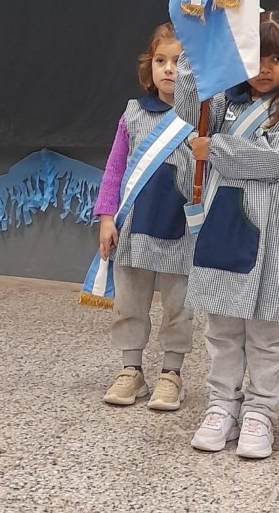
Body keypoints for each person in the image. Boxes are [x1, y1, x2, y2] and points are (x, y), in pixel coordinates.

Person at [174, 10, 279, 459]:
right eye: (255, 56)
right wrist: (198, 52)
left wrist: (214, 148)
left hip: (274, 235)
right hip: (226, 225)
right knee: (222, 326)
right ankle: (221, 405)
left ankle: (260, 411)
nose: (264, 67)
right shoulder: (222, 102)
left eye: (277, 57)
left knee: (267, 331)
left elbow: (273, 161)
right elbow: (187, 108)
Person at [95, 23, 195, 411]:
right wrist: (107, 216)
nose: (169, 69)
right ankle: (131, 370)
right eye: (161, 60)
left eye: (179, 62)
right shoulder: (134, 113)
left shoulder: (200, 116)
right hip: (134, 228)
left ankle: (172, 374)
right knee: (129, 302)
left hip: (182, 230)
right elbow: (115, 169)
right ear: (148, 67)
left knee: (178, 305)